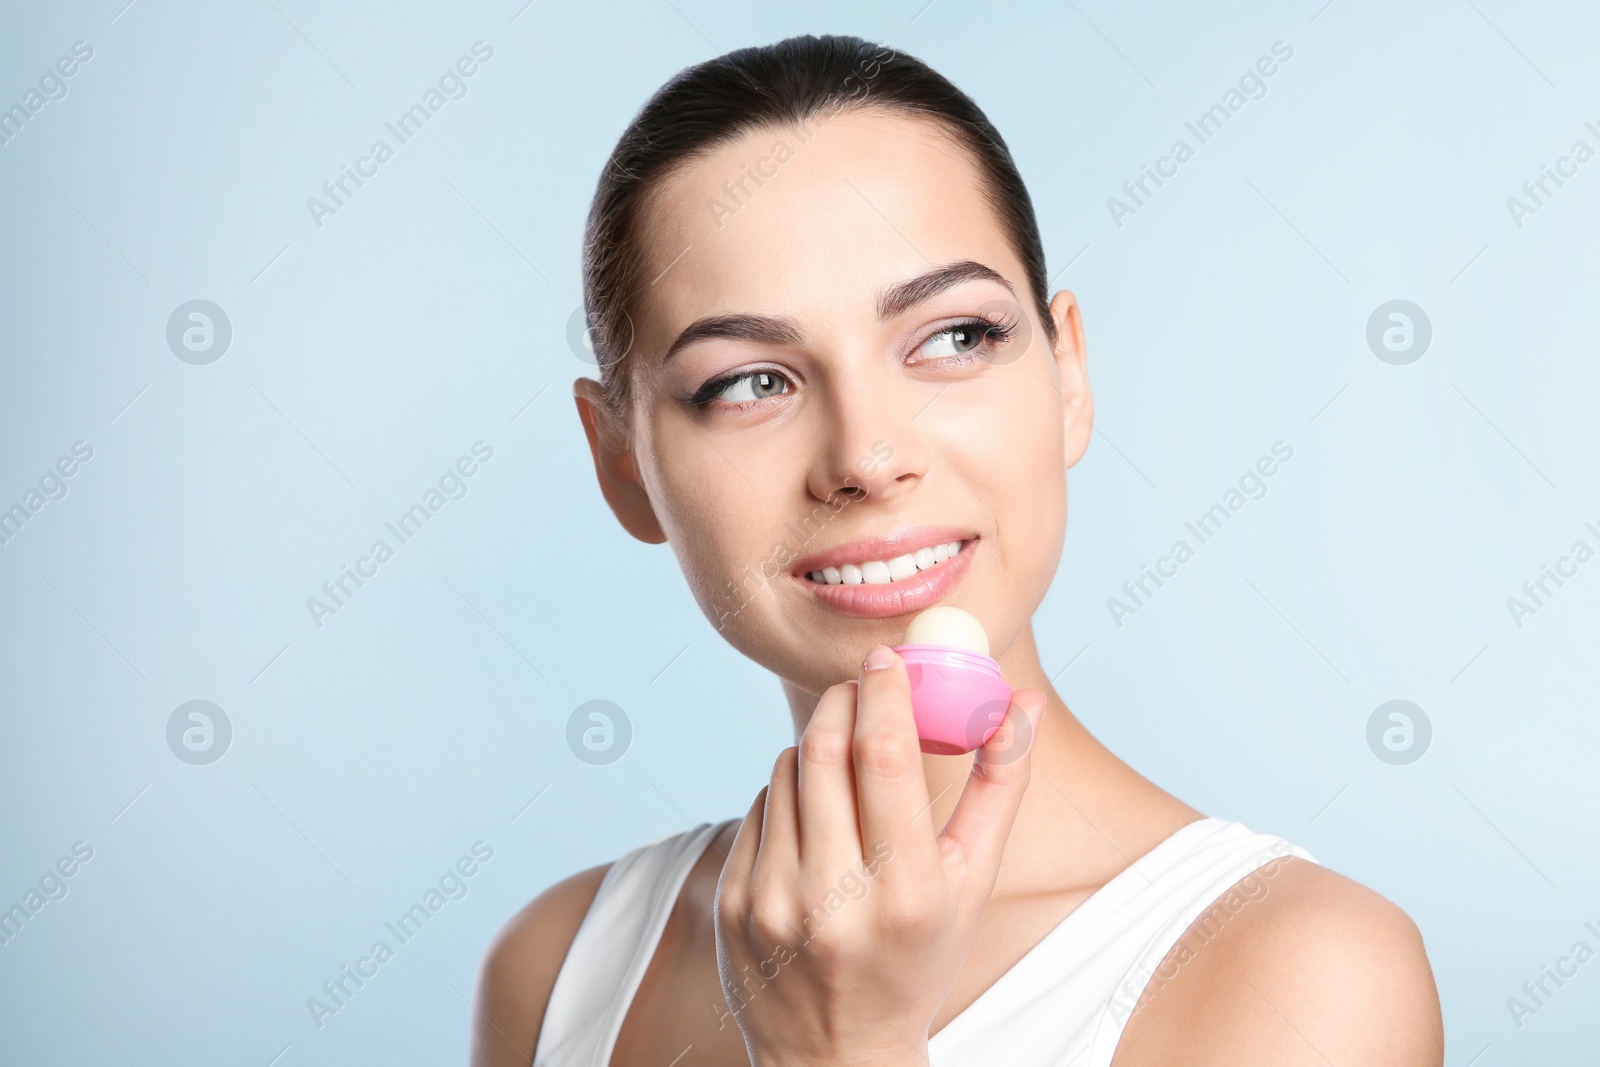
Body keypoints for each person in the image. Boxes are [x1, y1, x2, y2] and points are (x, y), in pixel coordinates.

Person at [470, 33, 1444, 1067]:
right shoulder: (557, 969)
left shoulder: (1302, 974)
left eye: (952, 337)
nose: (868, 455)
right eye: (750, 381)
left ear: (1067, 373)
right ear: (621, 461)